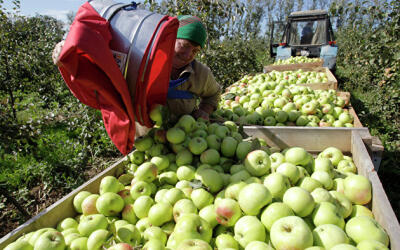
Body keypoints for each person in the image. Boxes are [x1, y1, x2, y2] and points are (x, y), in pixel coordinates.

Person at [53, 15, 221, 135]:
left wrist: (205, 110)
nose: (188, 54)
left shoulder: (201, 73)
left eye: (196, 50)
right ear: (170, 40)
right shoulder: (140, 61)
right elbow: (100, 64)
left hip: (186, 142)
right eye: (184, 45)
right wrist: (69, 52)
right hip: (144, 142)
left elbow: (213, 93)